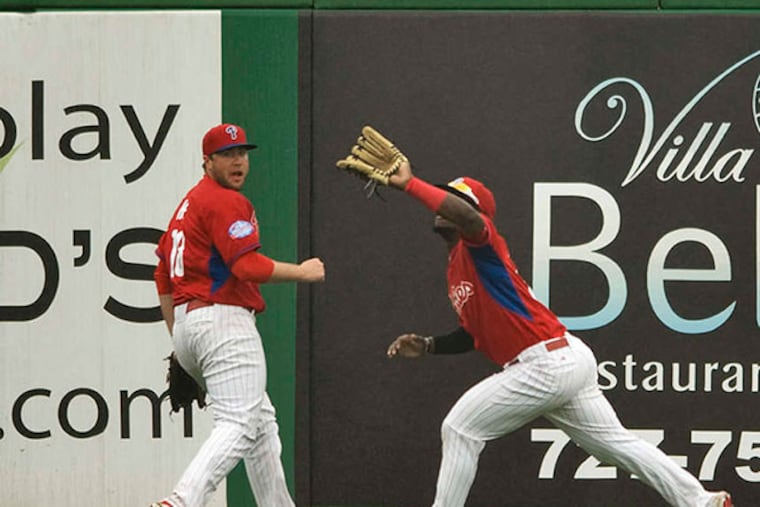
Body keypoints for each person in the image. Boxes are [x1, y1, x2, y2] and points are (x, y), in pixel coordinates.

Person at [383, 161, 732, 507]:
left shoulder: (482, 246)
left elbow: (471, 219)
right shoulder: (457, 265)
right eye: (445, 196)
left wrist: (413, 185)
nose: (445, 204)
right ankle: (703, 501)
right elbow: (471, 335)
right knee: (616, 445)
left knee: (461, 428)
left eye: (455, 200)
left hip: (544, 362)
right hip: (563, 359)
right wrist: (429, 345)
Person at [150, 123, 325, 507]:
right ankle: (181, 501)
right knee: (238, 424)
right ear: (207, 161)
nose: (238, 161)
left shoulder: (188, 203)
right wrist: (302, 271)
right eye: (227, 154)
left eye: (243, 153)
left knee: (261, 426)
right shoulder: (225, 201)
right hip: (223, 322)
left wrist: (179, 341)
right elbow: (246, 266)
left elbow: (162, 273)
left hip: (189, 324)